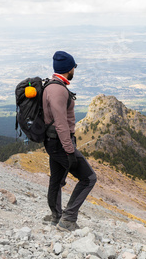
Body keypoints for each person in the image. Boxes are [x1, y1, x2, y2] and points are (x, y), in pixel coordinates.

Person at [42, 50, 97, 231]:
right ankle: (68, 219)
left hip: (53, 142)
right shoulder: (58, 90)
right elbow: (61, 124)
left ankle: (56, 216)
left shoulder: (52, 85)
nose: (74, 69)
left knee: (56, 180)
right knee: (89, 178)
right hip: (60, 143)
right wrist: (69, 150)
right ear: (68, 68)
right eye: (74, 67)